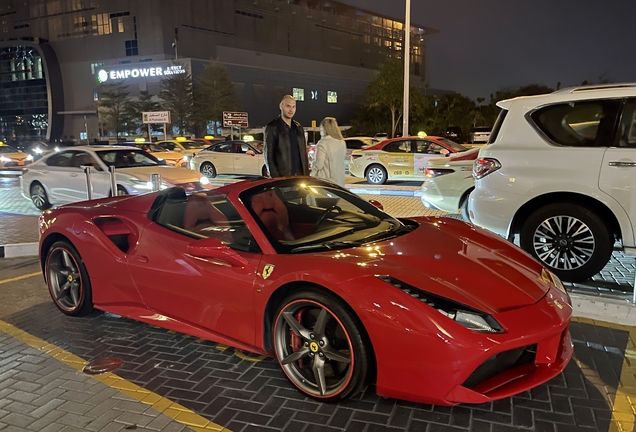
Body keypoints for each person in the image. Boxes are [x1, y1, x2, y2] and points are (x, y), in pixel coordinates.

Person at [264, 95, 308, 177]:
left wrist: (306, 176)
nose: (291, 109)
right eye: (288, 106)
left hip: (300, 177)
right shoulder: (273, 127)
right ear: (281, 106)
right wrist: (276, 179)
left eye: (293, 107)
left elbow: (304, 156)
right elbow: (268, 157)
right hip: (283, 179)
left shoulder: (298, 128)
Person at [310, 117, 346, 186]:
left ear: (324, 129)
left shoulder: (322, 143)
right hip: (340, 182)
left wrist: (312, 161)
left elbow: (319, 165)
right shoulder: (342, 143)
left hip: (326, 182)